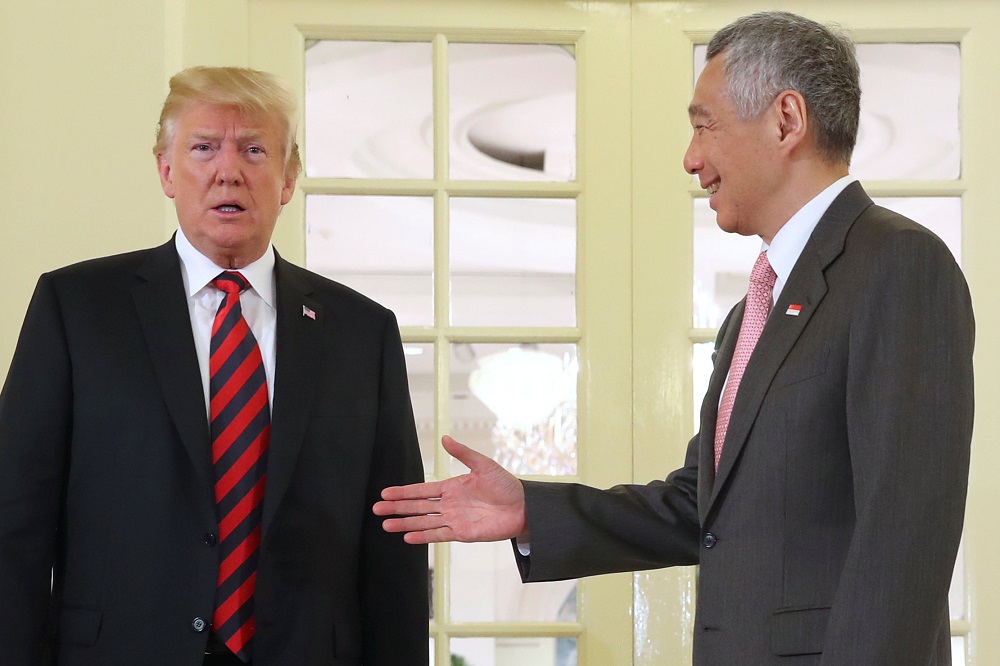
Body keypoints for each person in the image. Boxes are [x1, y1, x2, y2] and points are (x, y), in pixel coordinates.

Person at [375, 11, 974, 665]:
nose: (692, 160)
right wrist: (529, 511)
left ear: (785, 121)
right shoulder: (754, 310)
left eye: (703, 126)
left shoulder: (900, 265)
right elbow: (700, 505)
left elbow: (906, 538)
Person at [0, 66, 428, 666]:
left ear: (288, 178)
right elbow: (14, 525)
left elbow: (394, 543)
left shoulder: (363, 331)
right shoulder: (76, 308)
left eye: (255, 149)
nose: (229, 170)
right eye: (204, 148)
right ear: (167, 171)